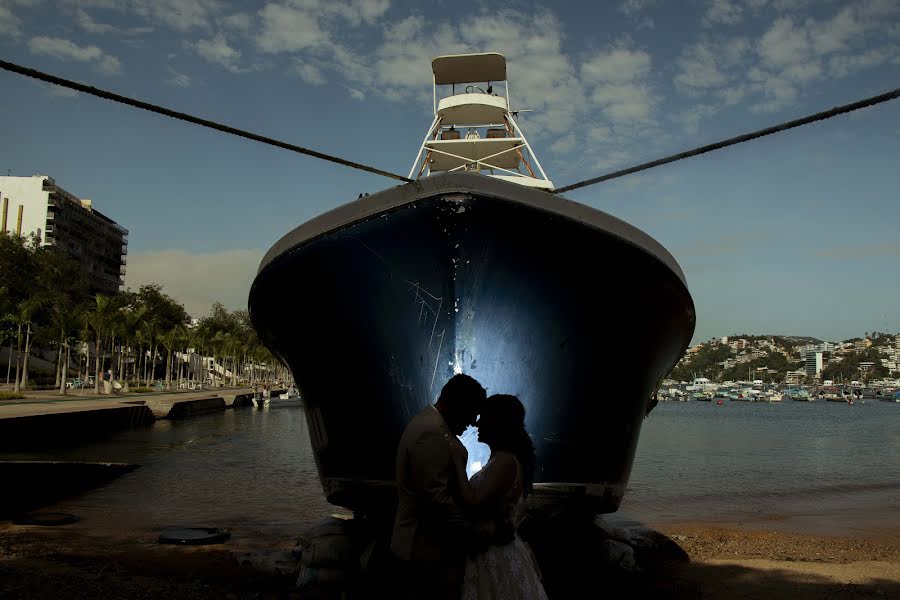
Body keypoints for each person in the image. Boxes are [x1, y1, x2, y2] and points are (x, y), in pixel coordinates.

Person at [391, 374, 509, 600]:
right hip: (425, 550)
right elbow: (436, 500)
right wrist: (476, 532)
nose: (473, 421)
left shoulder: (431, 426)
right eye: (472, 411)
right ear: (456, 404)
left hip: (430, 549)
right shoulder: (431, 433)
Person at [451, 394, 548, 600]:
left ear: (497, 423)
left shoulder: (504, 462)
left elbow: (473, 500)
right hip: (490, 549)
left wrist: (458, 461)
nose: (477, 423)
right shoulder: (500, 460)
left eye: (483, 417)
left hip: (492, 555)